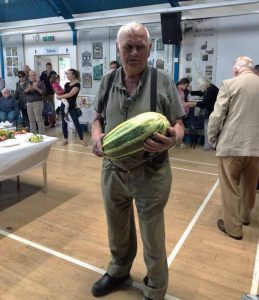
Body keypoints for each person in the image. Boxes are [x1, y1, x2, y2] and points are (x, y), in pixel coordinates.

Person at [91, 22, 185, 300]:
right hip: (112, 170)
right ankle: (119, 270)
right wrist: (96, 135)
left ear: (149, 48)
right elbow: (96, 117)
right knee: (116, 228)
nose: (134, 52)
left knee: (152, 235)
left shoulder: (163, 81)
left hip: (151, 172)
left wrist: (174, 139)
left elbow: (179, 123)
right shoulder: (108, 80)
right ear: (118, 48)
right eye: (127, 46)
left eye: (140, 46)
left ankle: (156, 287)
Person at [208, 56, 259, 240]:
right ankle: (245, 217)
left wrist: (212, 137)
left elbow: (217, 115)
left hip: (231, 145)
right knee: (250, 185)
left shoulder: (229, 84)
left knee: (230, 187)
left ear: (237, 69)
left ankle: (233, 228)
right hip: (256, 148)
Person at [56, 68, 86, 146]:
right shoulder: (66, 84)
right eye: (67, 74)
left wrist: (60, 96)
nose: (67, 75)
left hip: (72, 106)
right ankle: (65, 139)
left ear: (74, 75)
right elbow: (63, 92)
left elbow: (70, 94)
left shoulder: (77, 85)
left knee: (76, 122)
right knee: (64, 122)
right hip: (64, 105)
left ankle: (81, 139)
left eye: (69, 74)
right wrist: (57, 93)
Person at [188, 76, 219, 151]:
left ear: (204, 84)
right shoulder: (210, 87)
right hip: (212, 112)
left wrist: (195, 103)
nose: (200, 87)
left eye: (201, 85)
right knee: (208, 129)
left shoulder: (211, 90)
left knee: (208, 129)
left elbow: (206, 102)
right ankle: (209, 146)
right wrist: (191, 92)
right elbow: (201, 92)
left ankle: (209, 147)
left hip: (212, 112)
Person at [40, 62, 57, 127]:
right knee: (44, 107)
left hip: (50, 92)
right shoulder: (43, 73)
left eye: (50, 67)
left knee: (52, 106)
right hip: (44, 92)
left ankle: (53, 121)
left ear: (52, 67)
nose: (49, 68)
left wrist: (49, 75)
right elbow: (40, 80)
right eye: (48, 67)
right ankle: (46, 121)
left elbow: (53, 81)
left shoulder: (54, 73)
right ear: (46, 67)